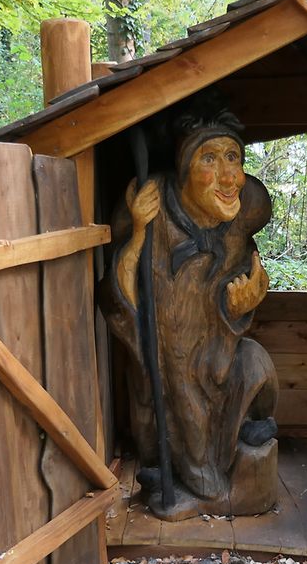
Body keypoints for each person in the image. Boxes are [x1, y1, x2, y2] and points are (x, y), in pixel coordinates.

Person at [102, 110, 279, 521]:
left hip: (217, 353)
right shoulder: (154, 212)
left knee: (255, 364)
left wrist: (240, 305)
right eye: (209, 159)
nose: (229, 176)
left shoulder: (237, 226)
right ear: (184, 171)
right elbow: (120, 296)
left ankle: (243, 432)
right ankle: (193, 480)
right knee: (179, 399)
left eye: (233, 157)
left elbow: (234, 287)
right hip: (168, 360)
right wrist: (140, 233)